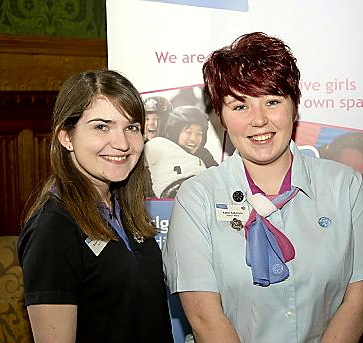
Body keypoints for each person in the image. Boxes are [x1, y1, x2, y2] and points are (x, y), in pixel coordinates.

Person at [163, 32, 363, 343]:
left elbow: (358, 300)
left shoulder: (347, 187)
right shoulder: (197, 197)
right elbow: (205, 318)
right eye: (240, 106)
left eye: (272, 101)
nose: (259, 120)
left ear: (294, 107)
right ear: (221, 117)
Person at [17, 70, 174, 343]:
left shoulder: (125, 209)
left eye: (131, 127)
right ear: (66, 137)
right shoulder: (53, 228)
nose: (122, 143)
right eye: (101, 126)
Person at [145, 105, 218, 198]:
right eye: (188, 132)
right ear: (175, 132)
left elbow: (220, 180)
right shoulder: (161, 147)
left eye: (199, 134)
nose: (193, 139)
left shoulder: (204, 156)